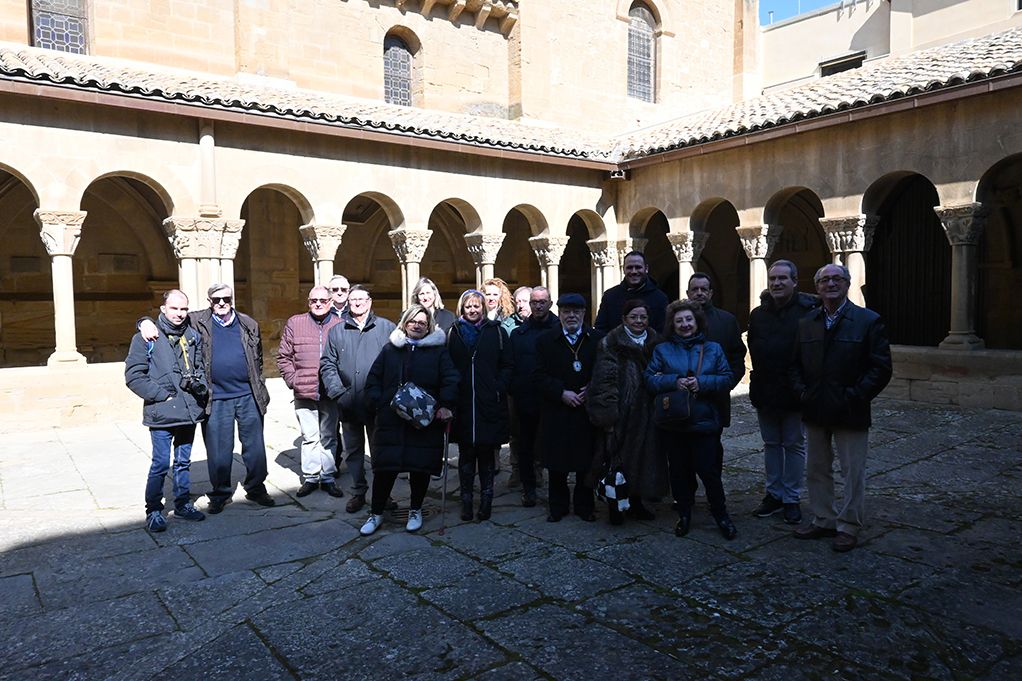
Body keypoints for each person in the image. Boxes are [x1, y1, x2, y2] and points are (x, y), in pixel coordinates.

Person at [138, 283, 274, 513]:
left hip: (248, 395)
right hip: (216, 397)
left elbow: (257, 358)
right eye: (216, 299)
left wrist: (258, 383)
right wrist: (143, 322)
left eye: (226, 299)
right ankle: (220, 493)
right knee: (219, 449)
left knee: (255, 448)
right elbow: (169, 318)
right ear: (209, 301)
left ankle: (256, 488)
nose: (222, 303)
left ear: (232, 299)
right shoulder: (196, 320)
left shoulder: (248, 323)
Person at [791, 264, 892, 553]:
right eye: (825, 280)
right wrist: (802, 391)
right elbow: (794, 365)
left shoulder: (867, 320)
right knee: (816, 468)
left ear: (847, 284)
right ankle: (823, 518)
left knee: (852, 471)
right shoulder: (807, 322)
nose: (830, 284)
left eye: (837, 279)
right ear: (817, 287)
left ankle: (848, 525)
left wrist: (855, 395)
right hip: (816, 407)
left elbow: (880, 367)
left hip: (850, 409)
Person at [359, 305, 459, 535]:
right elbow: (373, 379)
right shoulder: (390, 350)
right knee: (385, 469)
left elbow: (451, 379)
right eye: (412, 321)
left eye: (422, 323)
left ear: (428, 327)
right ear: (404, 323)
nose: (416, 325)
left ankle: (415, 509)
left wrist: (445, 405)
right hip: (391, 420)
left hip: (424, 421)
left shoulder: (438, 352)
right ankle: (376, 513)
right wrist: (379, 402)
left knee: (419, 467)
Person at [646, 299, 736, 540]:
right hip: (674, 422)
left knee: (709, 471)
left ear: (697, 322)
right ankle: (684, 513)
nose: (685, 324)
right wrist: (674, 381)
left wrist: (702, 383)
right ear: (672, 325)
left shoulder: (714, 349)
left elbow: (727, 378)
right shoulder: (662, 350)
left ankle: (721, 514)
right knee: (679, 471)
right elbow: (650, 379)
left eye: (689, 320)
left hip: (704, 420)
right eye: (679, 321)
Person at [125, 290, 208, 532]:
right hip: (162, 412)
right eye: (174, 309)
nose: (180, 314)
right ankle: (153, 510)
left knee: (183, 462)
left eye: (184, 309)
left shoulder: (192, 335)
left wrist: (199, 388)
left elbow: (200, 365)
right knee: (161, 464)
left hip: (189, 411)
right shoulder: (145, 337)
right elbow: (133, 377)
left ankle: (182, 504)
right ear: (163, 309)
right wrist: (163, 395)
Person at [747, 260, 818, 524]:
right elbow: (754, 347)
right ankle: (773, 494)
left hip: (794, 391)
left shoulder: (808, 312)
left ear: (795, 282)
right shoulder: (758, 314)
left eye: (782, 279)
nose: (776, 283)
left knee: (794, 444)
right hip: (765, 389)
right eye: (773, 279)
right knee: (771, 445)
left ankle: (791, 497)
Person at [586, 299, 667, 524]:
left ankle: (638, 501)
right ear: (624, 319)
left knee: (645, 459)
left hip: (649, 413)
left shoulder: (656, 342)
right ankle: (615, 506)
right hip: (621, 412)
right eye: (634, 317)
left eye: (643, 317)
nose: (639, 321)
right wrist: (607, 414)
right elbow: (604, 381)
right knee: (616, 460)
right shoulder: (610, 343)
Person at [319, 284, 397, 513]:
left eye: (361, 299)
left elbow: (396, 364)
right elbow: (327, 364)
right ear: (346, 303)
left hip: (378, 405)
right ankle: (358, 492)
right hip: (349, 404)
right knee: (353, 452)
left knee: (380, 452)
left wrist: (386, 396)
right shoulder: (337, 331)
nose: (357, 303)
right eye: (353, 300)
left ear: (370, 302)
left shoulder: (386, 328)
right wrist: (337, 392)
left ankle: (384, 494)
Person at [447, 290, 514, 521]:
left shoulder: (496, 332)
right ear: (462, 309)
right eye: (468, 307)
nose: (473, 310)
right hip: (463, 403)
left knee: (486, 457)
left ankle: (486, 502)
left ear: (483, 308)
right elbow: (447, 365)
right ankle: (466, 501)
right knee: (466, 456)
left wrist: (499, 386)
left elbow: (507, 364)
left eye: (476, 306)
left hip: (488, 402)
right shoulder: (453, 333)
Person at [533, 293, 600, 522]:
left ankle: (584, 506)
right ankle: (557, 507)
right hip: (557, 409)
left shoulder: (597, 339)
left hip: (585, 409)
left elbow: (604, 372)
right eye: (566, 312)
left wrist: (591, 388)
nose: (571, 316)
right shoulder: (545, 340)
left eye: (576, 312)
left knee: (585, 460)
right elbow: (537, 375)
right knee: (557, 462)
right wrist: (561, 392)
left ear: (584, 314)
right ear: (559, 313)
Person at [277, 286, 344, 498]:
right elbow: (283, 357)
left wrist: (340, 385)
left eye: (323, 300)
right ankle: (311, 477)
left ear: (330, 302)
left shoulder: (340, 324)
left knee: (329, 436)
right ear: (308, 302)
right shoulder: (295, 323)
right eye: (314, 300)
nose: (318, 304)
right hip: (303, 391)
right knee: (309, 436)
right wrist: (293, 380)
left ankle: (328, 477)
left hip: (330, 392)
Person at [686, 272, 746, 500]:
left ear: (711, 292)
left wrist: (728, 383)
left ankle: (714, 493)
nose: (699, 293)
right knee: (683, 448)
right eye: (695, 289)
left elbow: (737, 357)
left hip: (715, 397)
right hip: (684, 398)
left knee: (712, 447)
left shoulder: (726, 320)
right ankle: (686, 494)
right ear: (688, 293)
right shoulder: (677, 319)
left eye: (704, 289)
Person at [508, 286, 559, 506]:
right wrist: (515, 388)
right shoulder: (519, 334)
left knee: (555, 445)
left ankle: (557, 490)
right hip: (527, 397)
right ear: (529, 304)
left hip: (554, 398)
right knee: (526, 445)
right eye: (534, 302)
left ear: (550, 303)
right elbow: (511, 364)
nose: (538, 306)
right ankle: (529, 489)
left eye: (542, 301)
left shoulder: (559, 329)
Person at [593, 251, 669, 335]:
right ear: (623, 269)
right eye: (629, 267)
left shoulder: (660, 298)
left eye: (638, 267)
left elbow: (663, 332)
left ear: (646, 269)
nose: (634, 271)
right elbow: (600, 330)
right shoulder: (610, 296)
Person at [505, 284, 533, 489]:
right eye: (519, 301)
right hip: (515, 388)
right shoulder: (507, 326)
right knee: (515, 432)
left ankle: (537, 469)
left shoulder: (548, 324)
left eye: (526, 301)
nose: (522, 305)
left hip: (538, 388)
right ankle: (516, 469)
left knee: (539, 432)